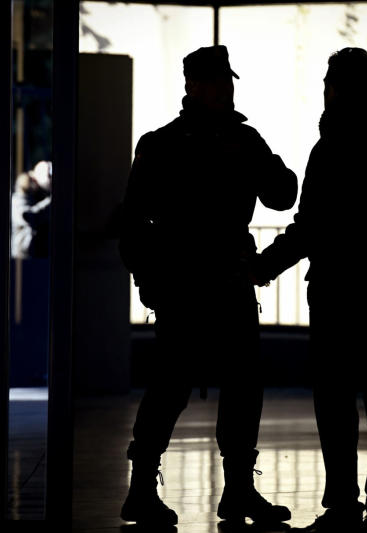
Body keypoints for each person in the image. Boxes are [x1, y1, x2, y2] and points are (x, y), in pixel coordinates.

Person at [250, 48, 367, 533]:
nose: (325, 90)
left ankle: (344, 505)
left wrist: (263, 265)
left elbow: (308, 227)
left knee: (335, 402)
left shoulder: (329, 148)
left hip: (333, 291)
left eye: (330, 81)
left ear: (340, 88)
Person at [117, 45, 297, 528]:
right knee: (176, 387)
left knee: (234, 386)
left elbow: (282, 194)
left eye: (229, 80)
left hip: (215, 283)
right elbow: (133, 223)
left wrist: (258, 152)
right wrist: (150, 281)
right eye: (217, 80)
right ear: (192, 86)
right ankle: (147, 489)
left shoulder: (230, 140)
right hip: (190, 286)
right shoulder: (163, 144)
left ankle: (235, 488)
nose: (227, 88)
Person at [11, 160, 52, 259]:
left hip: (39, 255)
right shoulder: (18, 199)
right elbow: (29, 216)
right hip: (24, 258)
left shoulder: (39, 196)